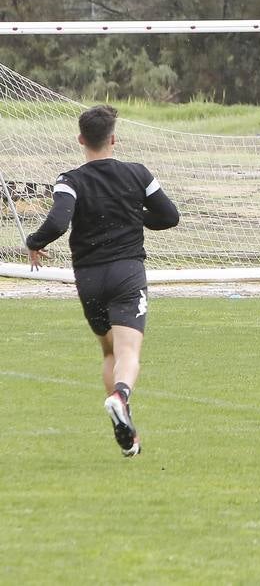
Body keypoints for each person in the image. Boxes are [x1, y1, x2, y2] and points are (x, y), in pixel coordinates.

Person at [25, 105, 180, 457]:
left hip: (89, 277)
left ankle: (126, 429)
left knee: (109, 350)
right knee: (128, 351)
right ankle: (120, 397)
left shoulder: (70, 180)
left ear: (81, 140)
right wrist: (133, 214)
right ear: (113, 139)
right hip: (126, 272)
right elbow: (169, 216)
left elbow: (57, 223)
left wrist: (34, 242)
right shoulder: (137, 173)